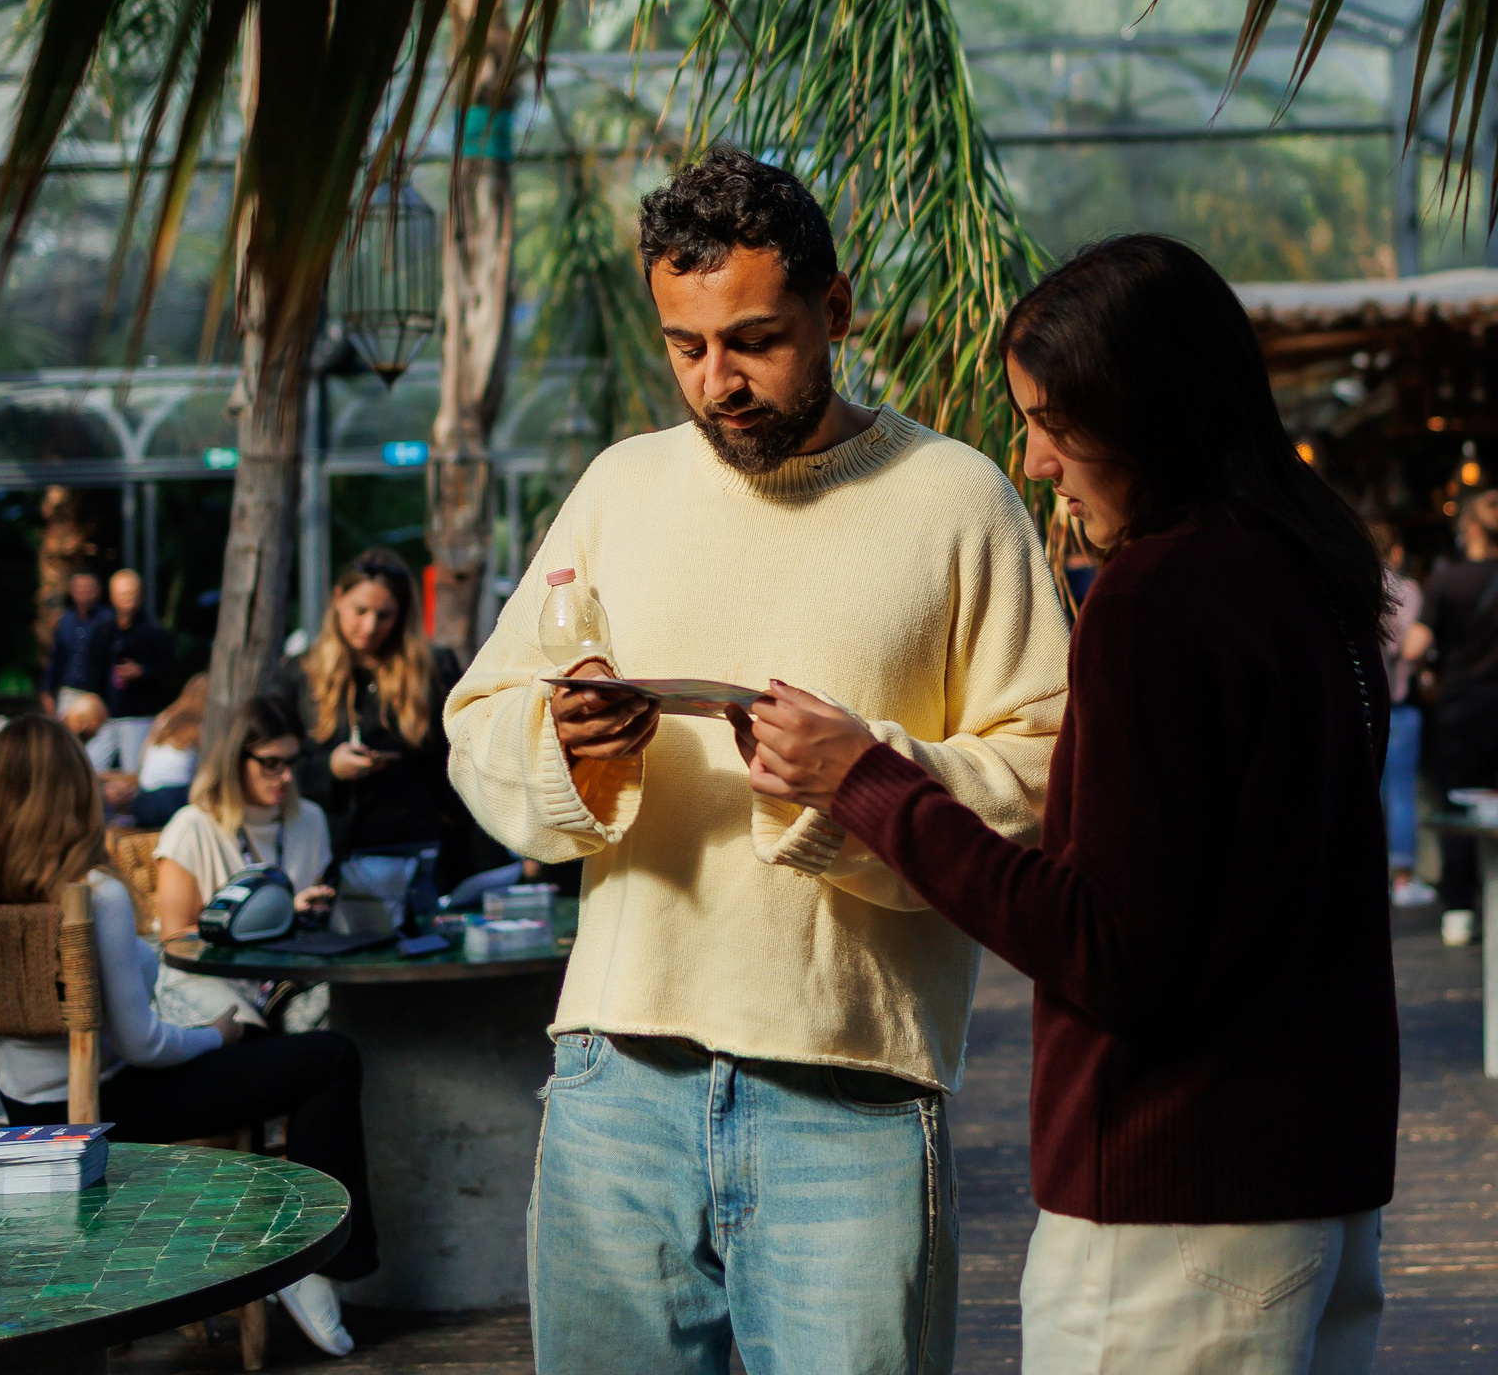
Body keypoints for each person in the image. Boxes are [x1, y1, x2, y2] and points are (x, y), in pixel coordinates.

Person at [444, 145, 1071, 1375]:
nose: (716, 382)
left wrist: (857, 774)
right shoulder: (619, 488)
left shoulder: (959, 500)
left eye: (755, 340)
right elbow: (482, 723)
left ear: (834, 309)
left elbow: (1049, 776)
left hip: (850, 1085)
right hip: (613, 1074)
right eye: (686, 347)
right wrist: (566, 747)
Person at [742, 234, 1398, 1375]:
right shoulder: (1308, 570)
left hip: (1176, 1201)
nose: (1036, 461)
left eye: (1053, 421)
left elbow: (1105, 945)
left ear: (1147, 412)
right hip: (1319, 1181)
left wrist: (867, 780)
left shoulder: (1161, 595)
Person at [0, 715, 376, 1357]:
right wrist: (218, 1033)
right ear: (71, 789)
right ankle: (311, 1262)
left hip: (25, 1116)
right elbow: (145, 1047)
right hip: (109, 1115)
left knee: (281, 1056)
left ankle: (291, 1259)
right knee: (328, 1058)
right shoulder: (93, 894)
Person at [265, 549, 501, 885]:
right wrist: (330, 768)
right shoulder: (300, 673)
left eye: (385, 615)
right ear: (338, 599)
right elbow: (274, 765)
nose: (370, 626)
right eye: (360, 611)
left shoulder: (433, 670)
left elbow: (461, 758)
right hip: (330, 852)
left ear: (402, 616)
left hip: (416, 848)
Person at [1400, 487, 1498, 944]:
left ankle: (1460, 909)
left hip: (1462, 714)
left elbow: (1414, 648)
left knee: (1459, 810)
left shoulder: (1447, 582)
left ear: (1470, 527)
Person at [151, 698, 335, 1030]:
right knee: (251, 1040)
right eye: (271, 763)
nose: (286, 777)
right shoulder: (192, 827)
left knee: (343, 1023)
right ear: (236, 760)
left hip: (287, 980)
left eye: (293, 762)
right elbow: (174, 938)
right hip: (207, 979)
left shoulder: (310, 819)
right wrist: (274, 916)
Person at [1376, 524, 1432, 908]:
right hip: (1396, 701)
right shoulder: (1404, 590)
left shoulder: (1343, 585)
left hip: (1356, 705)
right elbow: (1408, 647)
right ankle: (1402, 879)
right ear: (1394, 551)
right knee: (1400, 794)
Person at [125, 674, 210, 828]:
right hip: (173, 800)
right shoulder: (200, 726)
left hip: (143, 800)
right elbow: (207, 770)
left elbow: (142, 761)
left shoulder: (164, 718)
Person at [105, 569, 180, 720]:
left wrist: (142, 672)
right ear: (112, 596)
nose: (129, 598)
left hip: (141, 714)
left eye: (133, 593)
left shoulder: (154, 630)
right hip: (108, 712)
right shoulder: (104, 630)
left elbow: (170, 669)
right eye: (123, 594)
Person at [42, 568, 113, 712]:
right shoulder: (65, 620)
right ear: (71, 591)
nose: (84, 593)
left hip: (97, 694)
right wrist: (47, 691)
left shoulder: (108, 620)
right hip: (69, 692)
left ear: (98, 591)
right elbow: (57, 658)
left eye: (88, 589)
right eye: (79, 588)